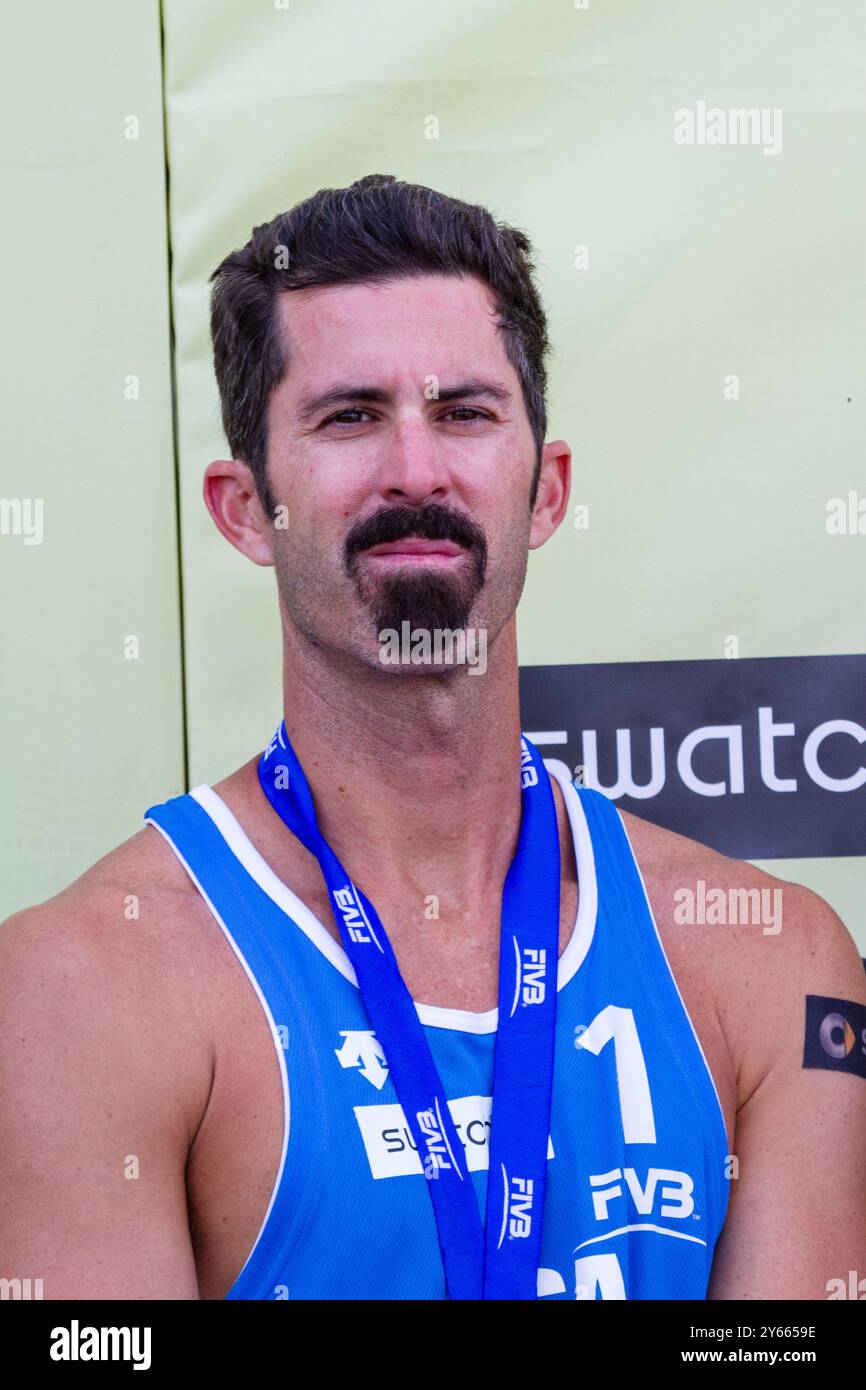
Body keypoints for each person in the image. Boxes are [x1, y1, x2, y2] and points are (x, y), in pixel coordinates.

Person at [2, 175, 864, 1301]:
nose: (415, 470)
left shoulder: (774, 961)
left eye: (463, 412)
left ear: (543, 491)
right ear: (241, 507)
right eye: (349, 416)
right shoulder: (76, 992)